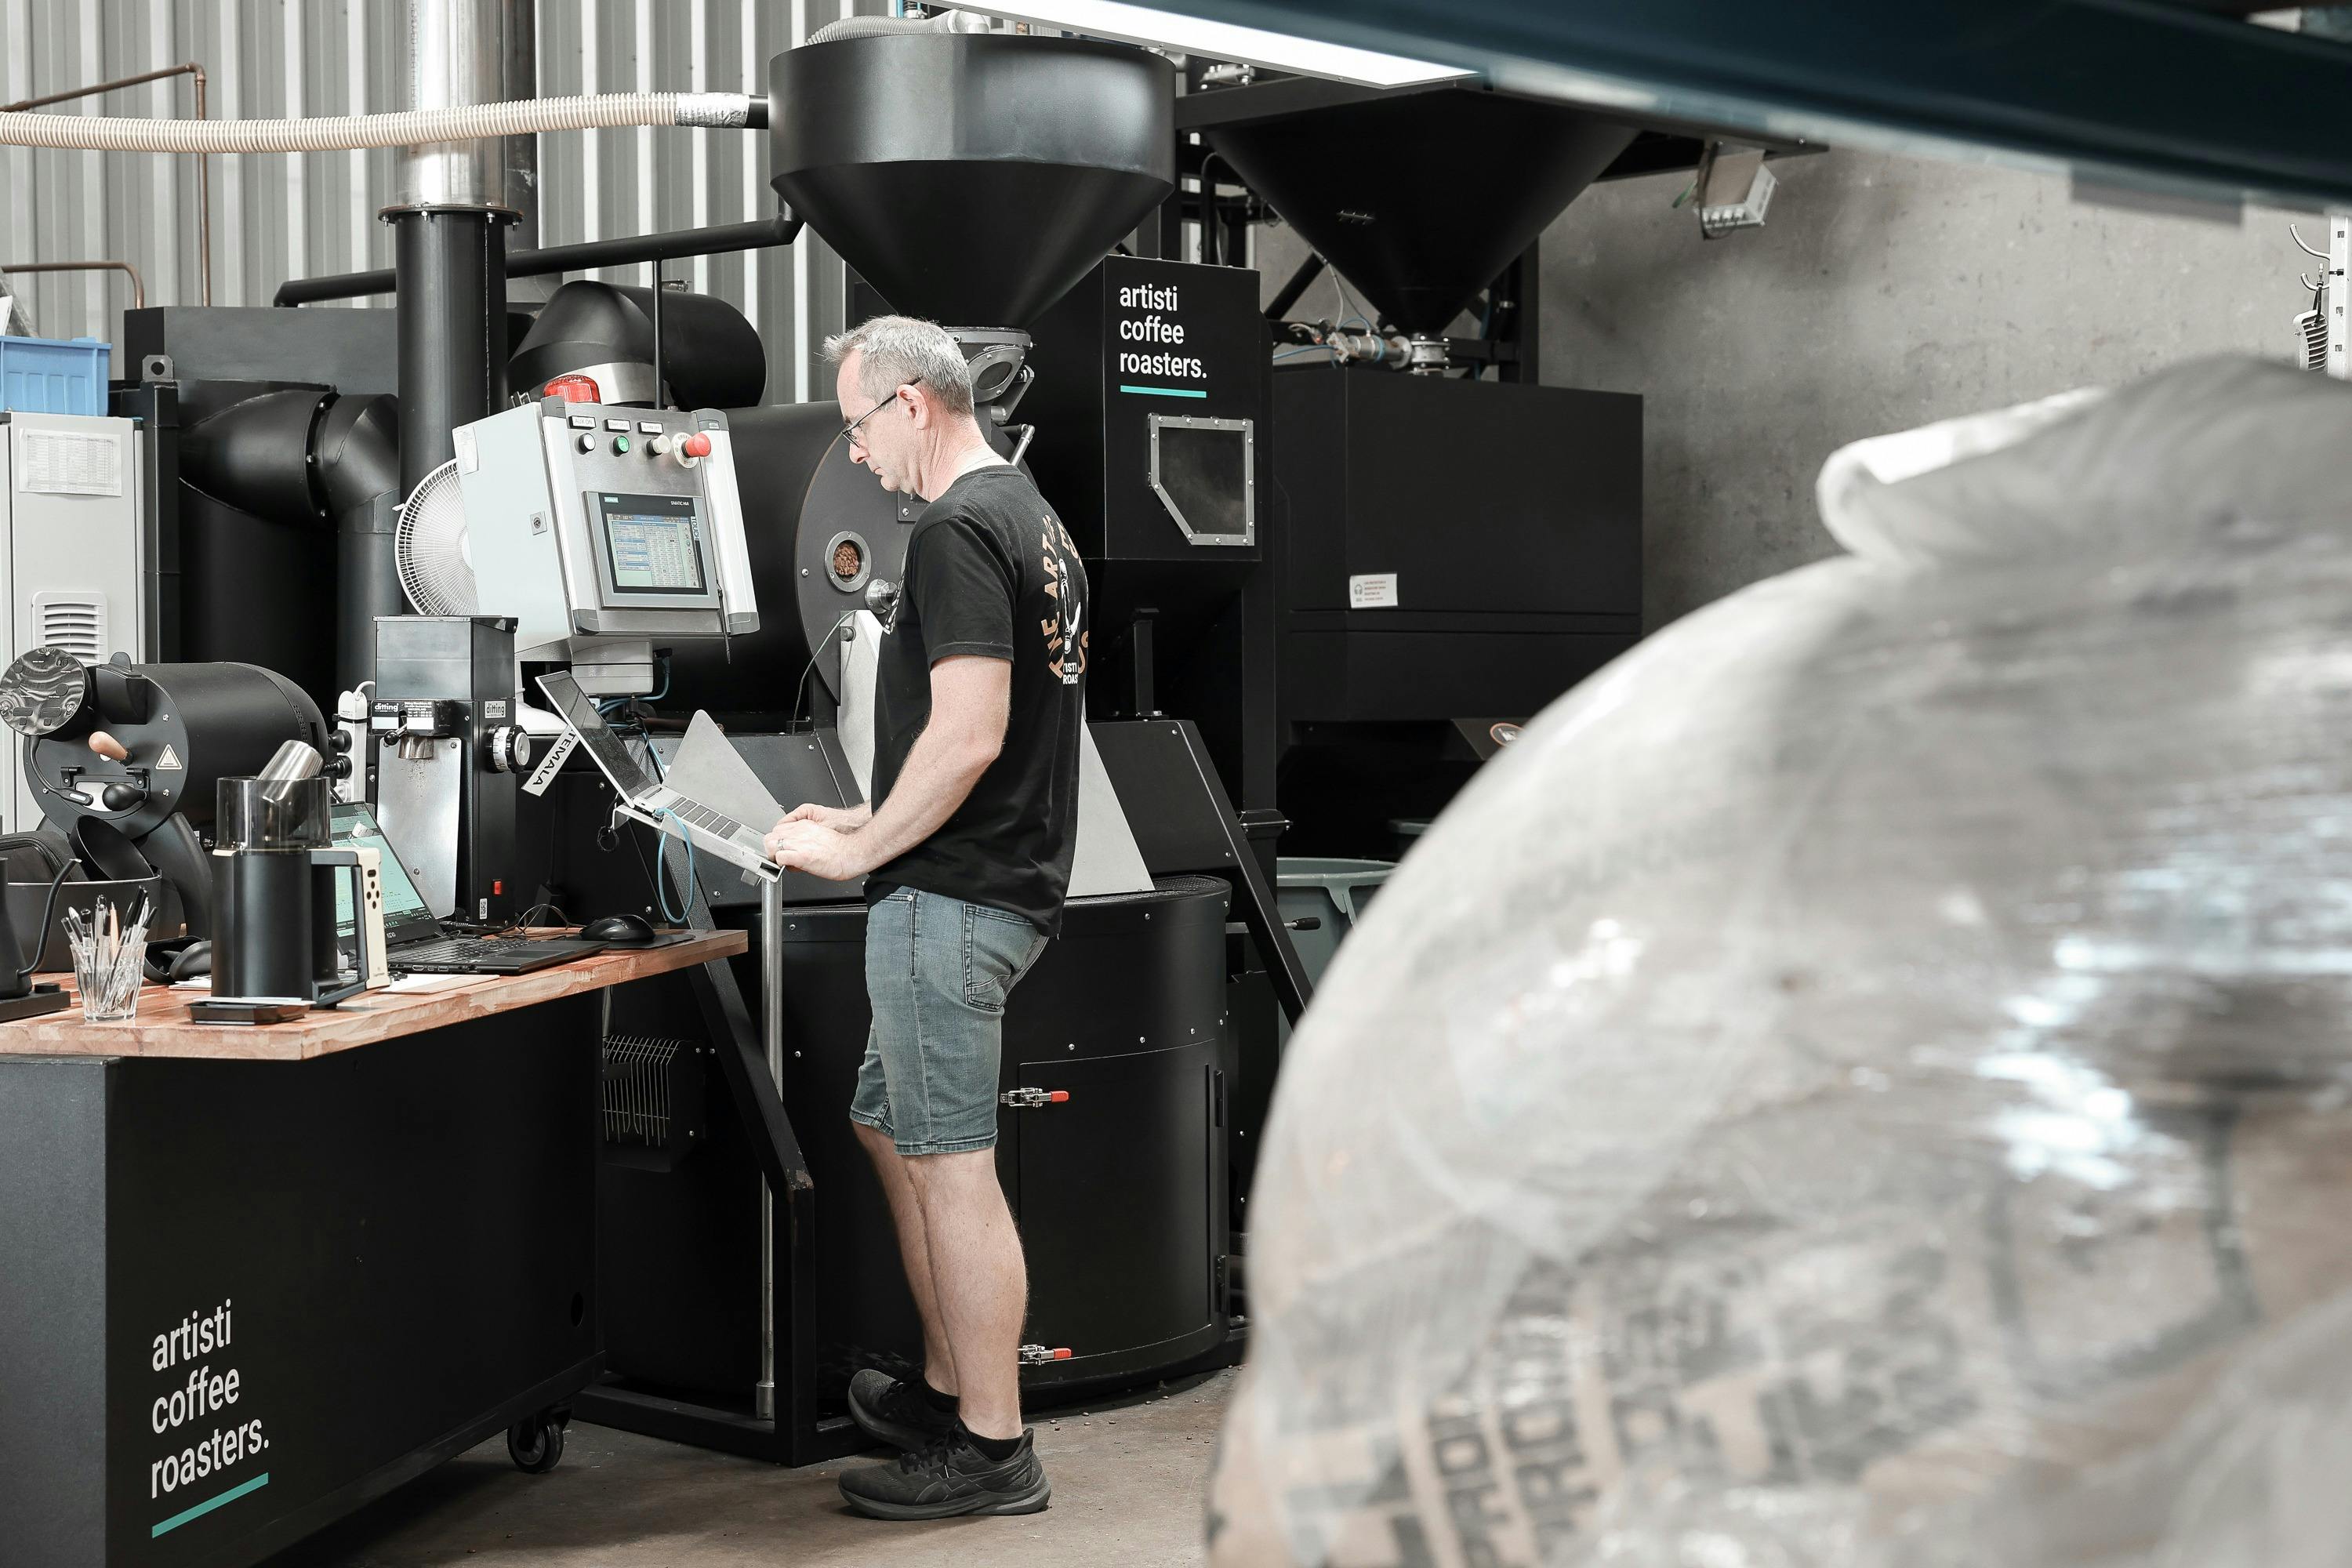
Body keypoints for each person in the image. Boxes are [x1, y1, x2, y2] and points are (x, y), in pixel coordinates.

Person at [762, 314, 1090, 1520]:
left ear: (913, 405)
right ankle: (954, 1386)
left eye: (856, 425)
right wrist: (861, 833)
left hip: (952, 896)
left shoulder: (957, 526)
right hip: (985, 881)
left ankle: (994, 1450)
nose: (855, 458)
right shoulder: (1035, 521)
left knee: (952, 1164)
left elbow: (967, 735)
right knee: (883, 1124)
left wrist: (857, 852)